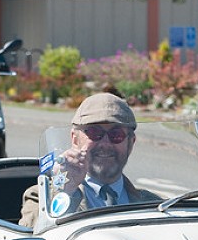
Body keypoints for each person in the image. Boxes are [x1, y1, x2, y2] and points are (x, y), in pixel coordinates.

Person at [19, 93, 160, 228]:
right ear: (75, 139)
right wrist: (65, 191)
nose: (105, 144)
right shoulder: (42, 197)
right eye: (94, 133)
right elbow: (35, 236)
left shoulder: (154, 205)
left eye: (116, 135)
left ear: (131, 143)